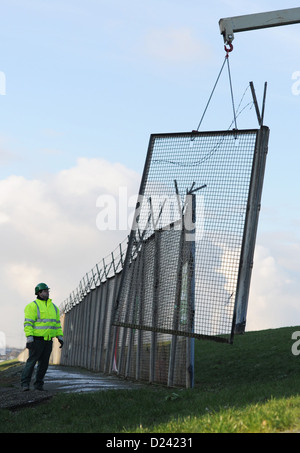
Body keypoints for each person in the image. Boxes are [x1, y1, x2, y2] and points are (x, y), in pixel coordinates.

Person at [21, 283, 64, 391]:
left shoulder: (54, 307)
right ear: (39, 293)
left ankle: (38, 385)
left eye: (48, 290)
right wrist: (29, 338)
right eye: (45, 291)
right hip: (36, 340)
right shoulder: (32, 306)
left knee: (44, 365)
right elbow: (28, 324)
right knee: (31, 363)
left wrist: (60, 337)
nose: (47, 292)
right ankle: (25, 384)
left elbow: (57, 324)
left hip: (48, 341)